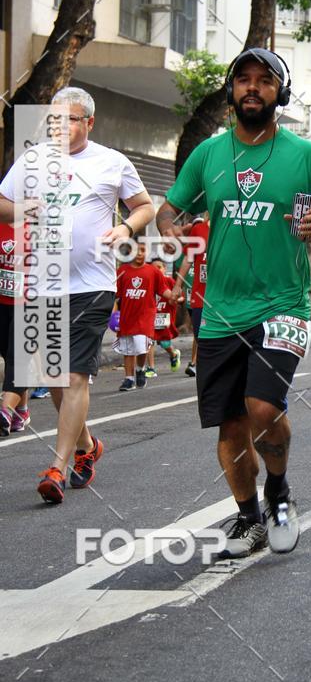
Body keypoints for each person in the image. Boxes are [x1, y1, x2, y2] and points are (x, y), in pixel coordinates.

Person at [157, 47, 311, 557]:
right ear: (232, 89)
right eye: (243, 80)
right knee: (231, 425)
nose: (252, 88)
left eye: (264, 80)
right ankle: (249, 518)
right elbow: (169, 209)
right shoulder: (209, 155)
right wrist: (169, 227)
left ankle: (279, 492)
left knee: (263, 407)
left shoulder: (305, 156)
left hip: (284, 304)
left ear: (280, 93)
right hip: (219, 311)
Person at [0, 87, 155, 501]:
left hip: (92, 285)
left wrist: (125, 228)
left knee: (72, 376)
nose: (60, 126)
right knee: (53, 379)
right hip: (43, 283)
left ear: (88, 121)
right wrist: (23, 210)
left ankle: (58, 465)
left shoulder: (111, 161)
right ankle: (88, 447)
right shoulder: (32, 160)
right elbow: (3, 202)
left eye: (68, 119)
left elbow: (144, 206)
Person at [115, 242, 174, 391]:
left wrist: (173, 296)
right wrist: (113, 314)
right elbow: (117, 296)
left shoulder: (153, 272)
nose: (140, 253)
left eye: (143, 250)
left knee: (141, 348)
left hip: (145, 317)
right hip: (127, 317)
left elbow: (163, 290)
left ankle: (140, 369)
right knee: (127, 350)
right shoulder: (122, 271)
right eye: (137, 250)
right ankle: (128, 379)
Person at [0, 222, 30, 436]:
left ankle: (5, 410)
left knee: (18, 356)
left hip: (29, 303)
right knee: (7, 354)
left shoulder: (38, 226)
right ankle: (21, 410)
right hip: (2, 302)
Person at [172, 213, 210, 376]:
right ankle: (199, 365)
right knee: (200, 335)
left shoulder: (231, 227)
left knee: (216, 339)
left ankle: (204, 368)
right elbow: (188, 259)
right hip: (200, 295)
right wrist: (177, 285)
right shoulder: (199, 229)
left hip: (224, 295)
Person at [145, 258, 181, 378]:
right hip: (150, 315)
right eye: (153, 268)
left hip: (164, 317)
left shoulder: (169, 281)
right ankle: (151, 368)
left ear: (164, 268)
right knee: (149, 341)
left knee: (164, 343)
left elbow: (179, 297)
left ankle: (173, 354)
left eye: (159, 267)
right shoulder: (148, 282)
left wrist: (175, 300)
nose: (157, 270)